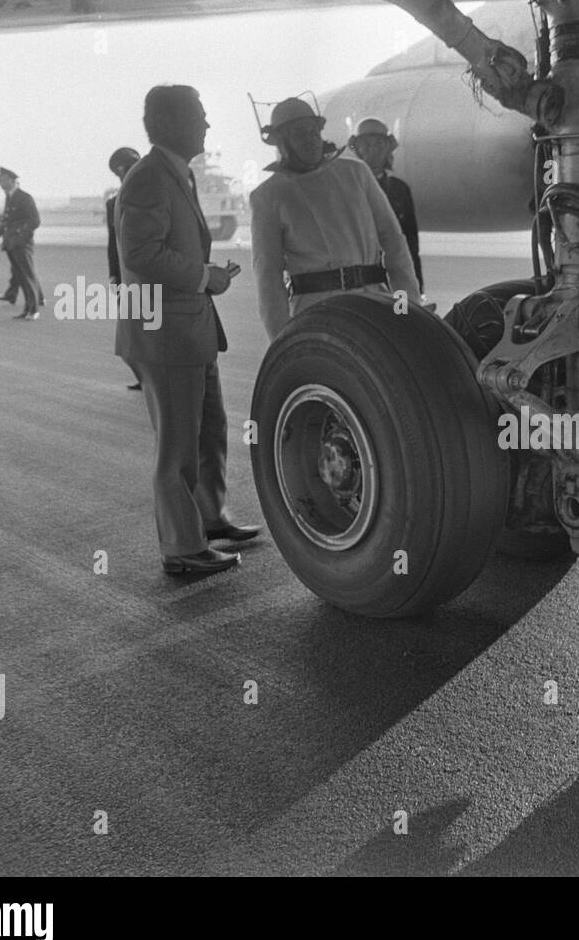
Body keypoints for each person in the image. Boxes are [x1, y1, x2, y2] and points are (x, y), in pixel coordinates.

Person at [116, 84, 260, 576]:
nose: (206, 125)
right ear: (171, 123)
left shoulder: (175, 175)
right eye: (200, 116)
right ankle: (181, 548)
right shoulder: (149, 177)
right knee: (177, 446)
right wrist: (204, 276)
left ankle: (208, 518)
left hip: (190, 330)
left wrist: (205, 274)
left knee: (209, 430)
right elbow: (140, 254)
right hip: (165, 334)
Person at [249, 97, 422, 342]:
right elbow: (268, 278)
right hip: (313, 317)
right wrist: (282, 342)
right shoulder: (268, 196)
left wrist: (404, 310)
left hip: (372, 305)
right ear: (281, 143)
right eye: (299, 134)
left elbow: (395, 246)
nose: (310, 139)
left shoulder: (356, 174)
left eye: (313, 131)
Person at [348, 116, 424, 290]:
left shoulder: (400, 190)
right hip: (360, 286)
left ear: (388, 148)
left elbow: (411, 245)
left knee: (401, 315)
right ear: (357, 149)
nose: (373, 150)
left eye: (379, 144)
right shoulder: (347, 189)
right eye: (366, 144)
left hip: (398, 283)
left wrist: (417, 292)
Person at [106, 146, 143, 390]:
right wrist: (114, 275)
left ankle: (152, 379)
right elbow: (113, 243)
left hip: (152, 278)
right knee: (130, 340)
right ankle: (145, 378)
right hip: (127, 278)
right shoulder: (114, 204)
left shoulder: (156, 196)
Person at [0, 167, 43, 320]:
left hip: (21, 243)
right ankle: (27, 309)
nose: (0, 183)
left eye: (2, 180)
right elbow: (8, 219)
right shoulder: (10, 197)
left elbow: (34, 220)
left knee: (27, 275)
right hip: (11, 243)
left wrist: (21, 237)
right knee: (21, 277)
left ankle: (34, 309)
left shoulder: (24, 198)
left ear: (11, 180)